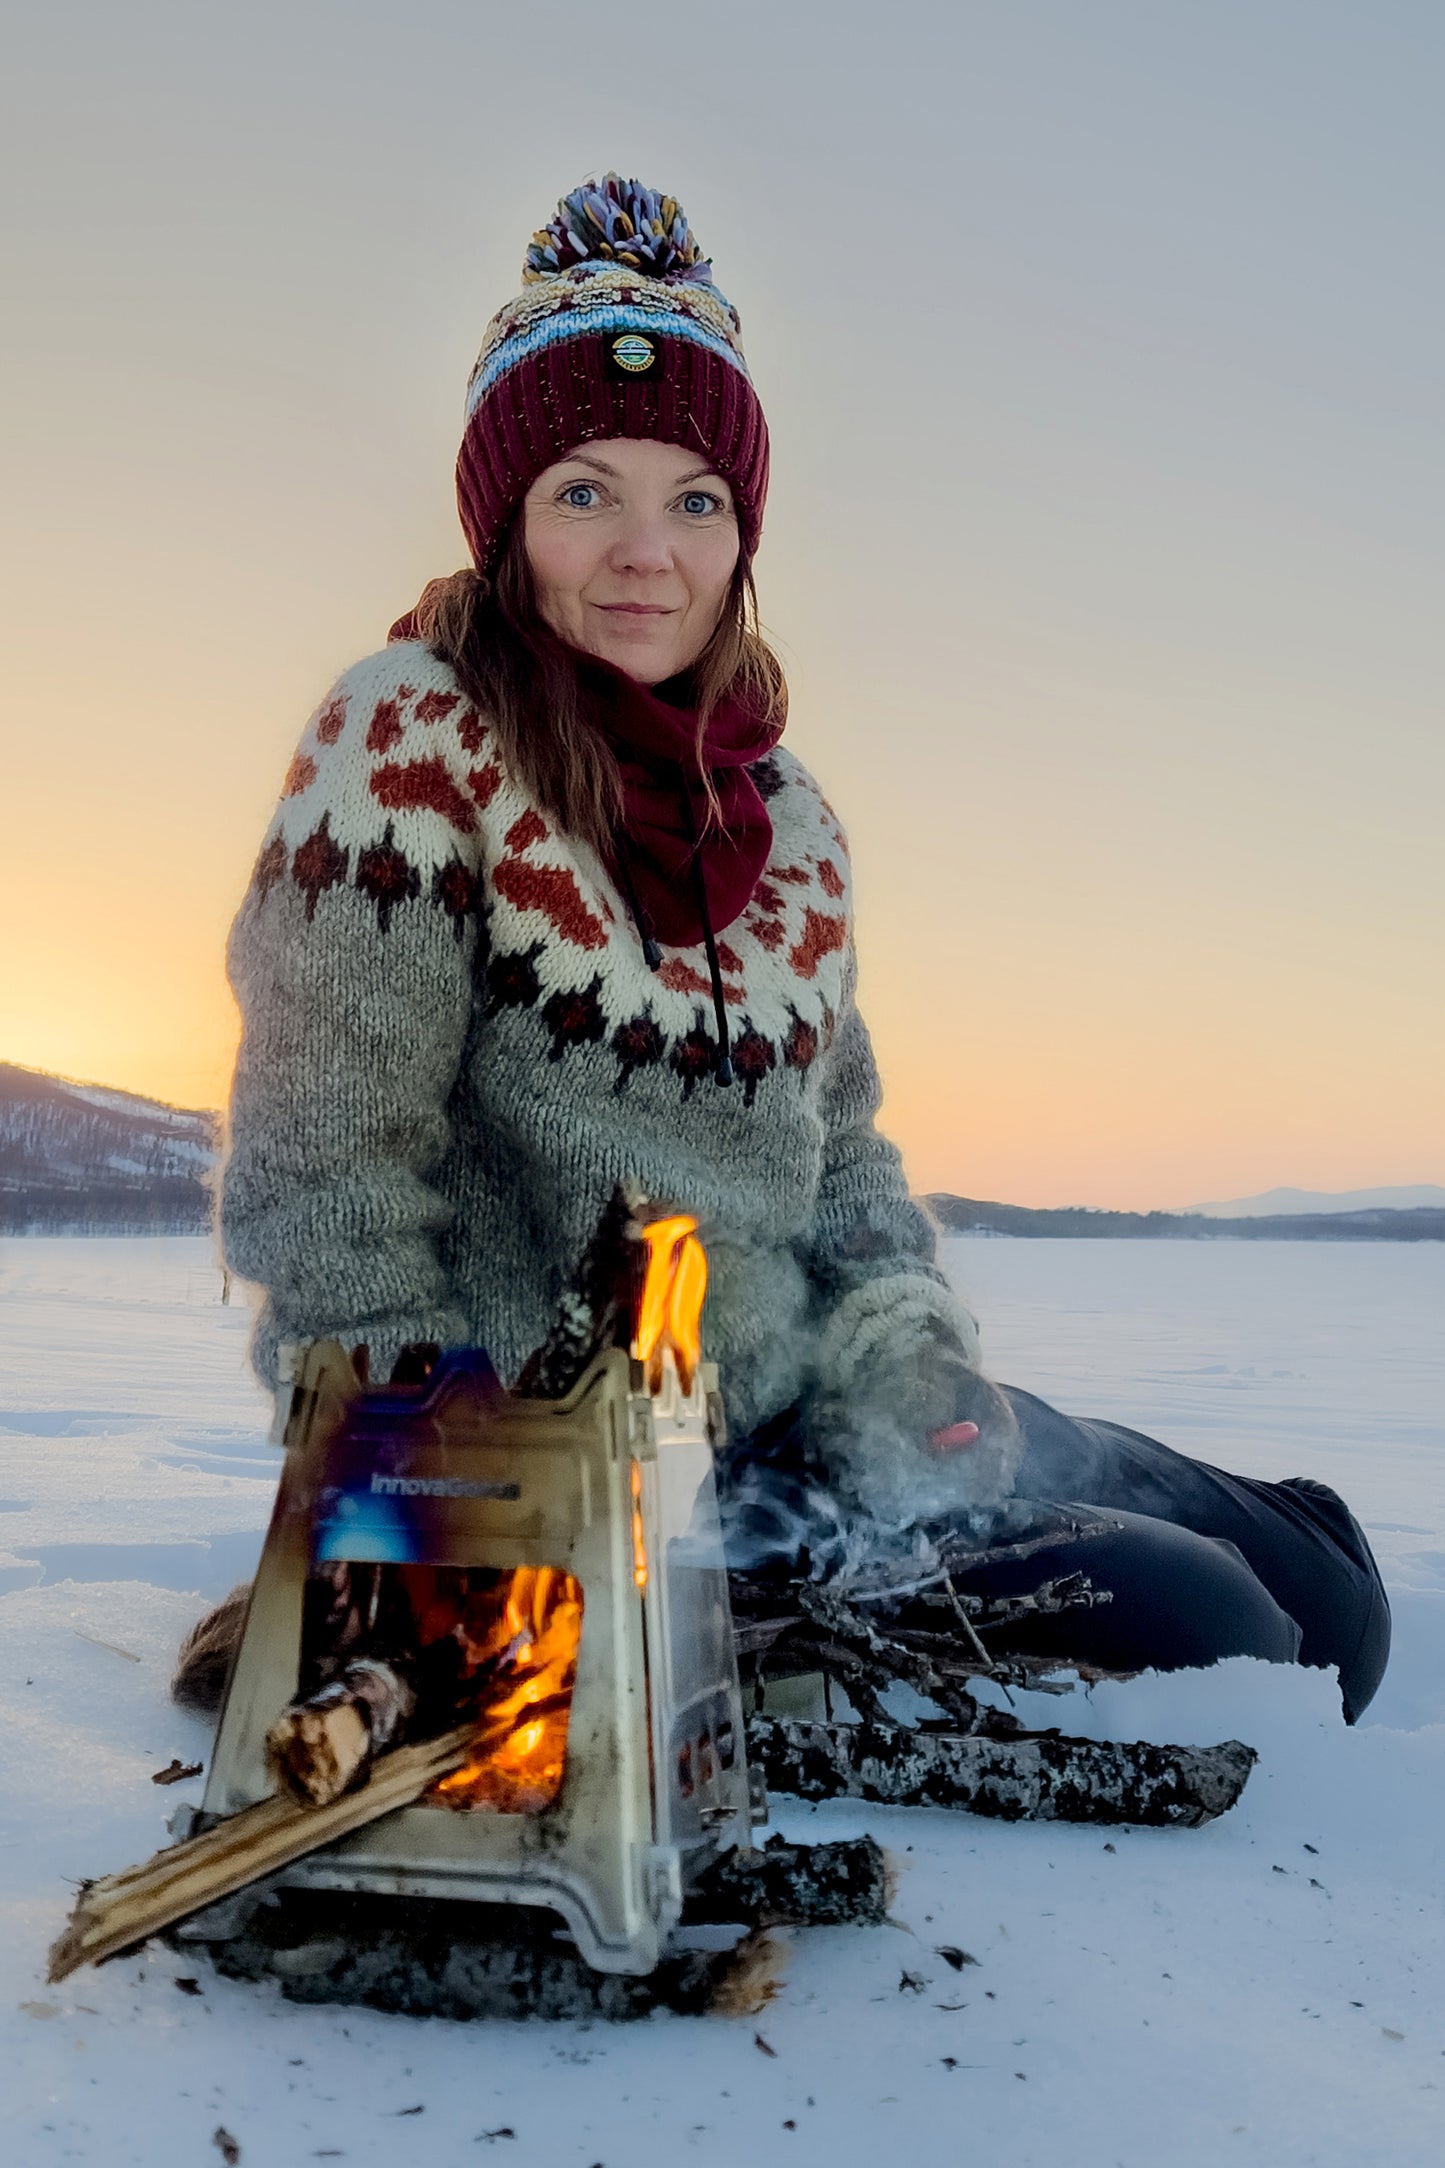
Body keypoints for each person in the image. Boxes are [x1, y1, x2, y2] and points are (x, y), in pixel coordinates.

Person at [217, 175, 1388, 1723]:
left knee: (1333, 1584)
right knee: (1232, 1631)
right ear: (505, 518)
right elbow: (327, 1177)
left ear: (742, 532)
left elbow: (844, 1165)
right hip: (600, 1480)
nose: (648, 555)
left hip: (825, 1416)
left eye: (694, 500)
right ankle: (722, 1660)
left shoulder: (785, 813)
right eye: (585, 490)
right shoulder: (407, 735)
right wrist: (431, 1535)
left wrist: (912, 1360)